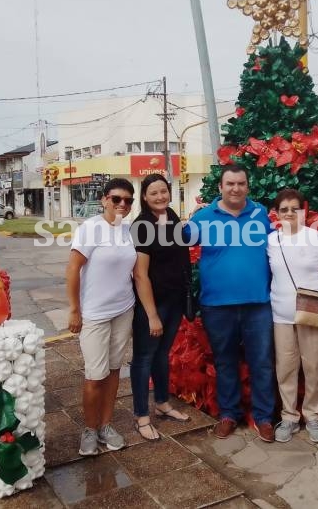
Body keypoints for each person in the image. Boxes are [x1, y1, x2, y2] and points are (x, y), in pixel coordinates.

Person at [184, 164, 276, 442]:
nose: (235, 188)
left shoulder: (261, 215)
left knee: (261, 362)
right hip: (217, 305)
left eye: (240, 183)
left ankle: (264, 417)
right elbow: (174, 244)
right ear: (221, 187)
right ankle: (229, 414)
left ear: (247, 186)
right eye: (230, 184)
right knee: (225, 362)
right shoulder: (202, 218)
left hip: (258, 304)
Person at [66, 178, 138, 456]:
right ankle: (89, 428)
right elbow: (73, 269)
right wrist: (75, 309)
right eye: (116, 199)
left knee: (113, 371)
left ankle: (106, 425)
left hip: (123, 309)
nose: (122, 204)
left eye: (128, 200)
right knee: (95, 375)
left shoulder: (129, 231)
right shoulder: (91, 228)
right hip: (94, 313)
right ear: (104, 199)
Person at [267, 189, 318, 443]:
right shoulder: (271, 241)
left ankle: (313, 416)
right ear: (277, 213)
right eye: (283, 209)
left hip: (314, 312)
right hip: (281, 314)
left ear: (303, 210)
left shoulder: (316, 237)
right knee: (285, 367)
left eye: (294, 208)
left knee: (315, 365)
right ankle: (289, 417)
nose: (289, 213)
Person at [130, 174, 191, 441]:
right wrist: (152, 314)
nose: (160, 197)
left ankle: (163, 403)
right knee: (144, 357)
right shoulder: (142, 225)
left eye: (163, 191)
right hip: (151, 304)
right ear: (144, 197)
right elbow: (140, 275)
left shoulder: (172, 217)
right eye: (153, 193)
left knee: (162, 353)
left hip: (174, 300)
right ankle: (142, 416)